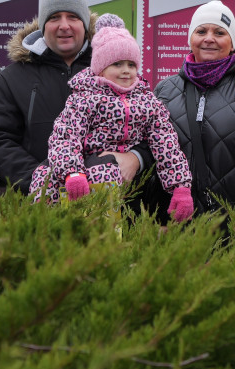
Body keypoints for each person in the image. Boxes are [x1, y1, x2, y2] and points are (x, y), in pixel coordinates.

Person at [0, 0, 144, 194]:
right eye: (54, 17)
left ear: (85, 24)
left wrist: (137, 158)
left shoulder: (118, 70)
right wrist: (46, 182)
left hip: (109, 202)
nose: (64, 25)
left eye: (73, 17)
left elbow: (154, 128)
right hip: (35, 204)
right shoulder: (12, 78)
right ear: (43, 25)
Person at [29, 14, 193, 223]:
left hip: (116, 173)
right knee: (44, 175)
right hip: (80, 165)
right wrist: (72, 172)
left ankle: (102, 235)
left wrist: (180, 187)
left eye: (131, 65)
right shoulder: (85, 96)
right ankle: (42, 230)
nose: (126, 71)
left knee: (105, 173)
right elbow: (65, 135)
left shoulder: (147, 101)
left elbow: (166, 144)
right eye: (117, 64)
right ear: (100, 68)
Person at [154, 0, 235, 224]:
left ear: (232, 42)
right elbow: (155, 158)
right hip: (178, 222)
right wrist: (158, 219)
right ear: (190, 39)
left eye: (220, 32)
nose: (209, 38)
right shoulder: (165, 90)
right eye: (201, 31)